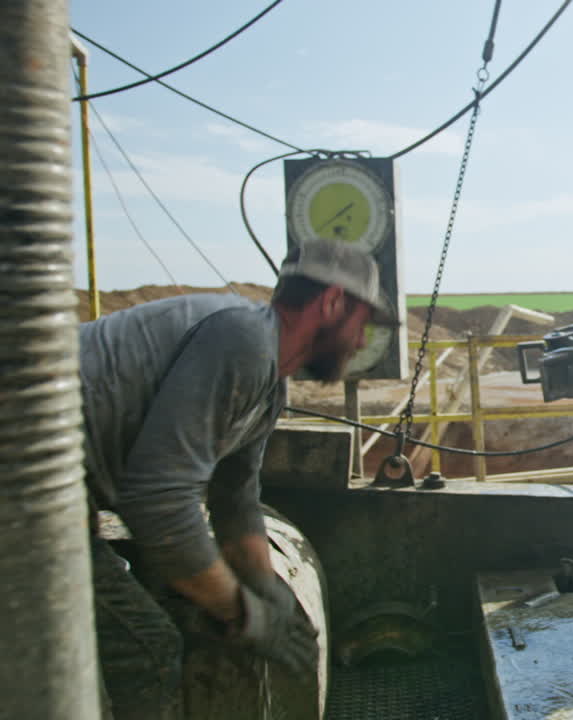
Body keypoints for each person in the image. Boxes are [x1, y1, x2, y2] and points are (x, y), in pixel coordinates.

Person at [80, 239, 396, 719]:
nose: (360, 342)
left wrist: (266, 590)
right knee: (144, 650)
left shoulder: (269, 385)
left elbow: (235, 499)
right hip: (22, 482)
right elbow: (159, 502)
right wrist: (246, 615)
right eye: (362, 323)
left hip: (56, 496)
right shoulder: (241, 338)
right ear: (332, 302)